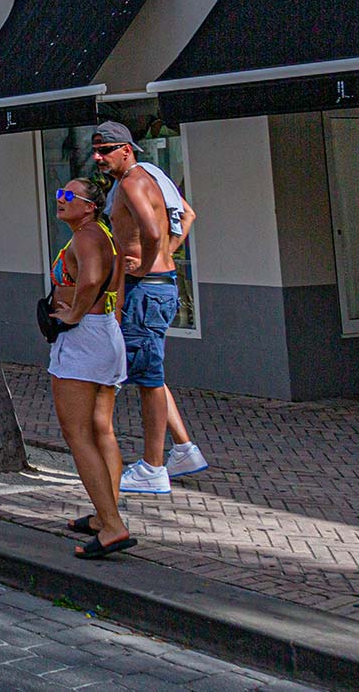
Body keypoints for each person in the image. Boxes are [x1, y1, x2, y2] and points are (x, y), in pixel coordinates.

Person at [91, 120, 208, 495]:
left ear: (126, 149)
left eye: (106, 150)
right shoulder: (152, 178)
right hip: (157, 285)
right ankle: (184, 449)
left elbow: (153, 231)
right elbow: (186, 215)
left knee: (147, 381)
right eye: (96, 150)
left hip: (148, 289)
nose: (99, 157)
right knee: (148, 370)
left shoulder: (132, 182)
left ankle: (153, 468)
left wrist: (145, 265)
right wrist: (163, 260)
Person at [47, 177, 132, 560]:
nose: (61, 200)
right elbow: (115, 285)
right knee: (102, 430)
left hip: (83, 340)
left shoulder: (85, 236)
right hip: (104, 335)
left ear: (89, 206)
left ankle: (112, 525)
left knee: (77, 433)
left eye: (69, 196)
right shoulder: (103, 235)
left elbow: (94, 278)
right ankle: (104, 515)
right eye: (60, 194)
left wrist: (73, 315)